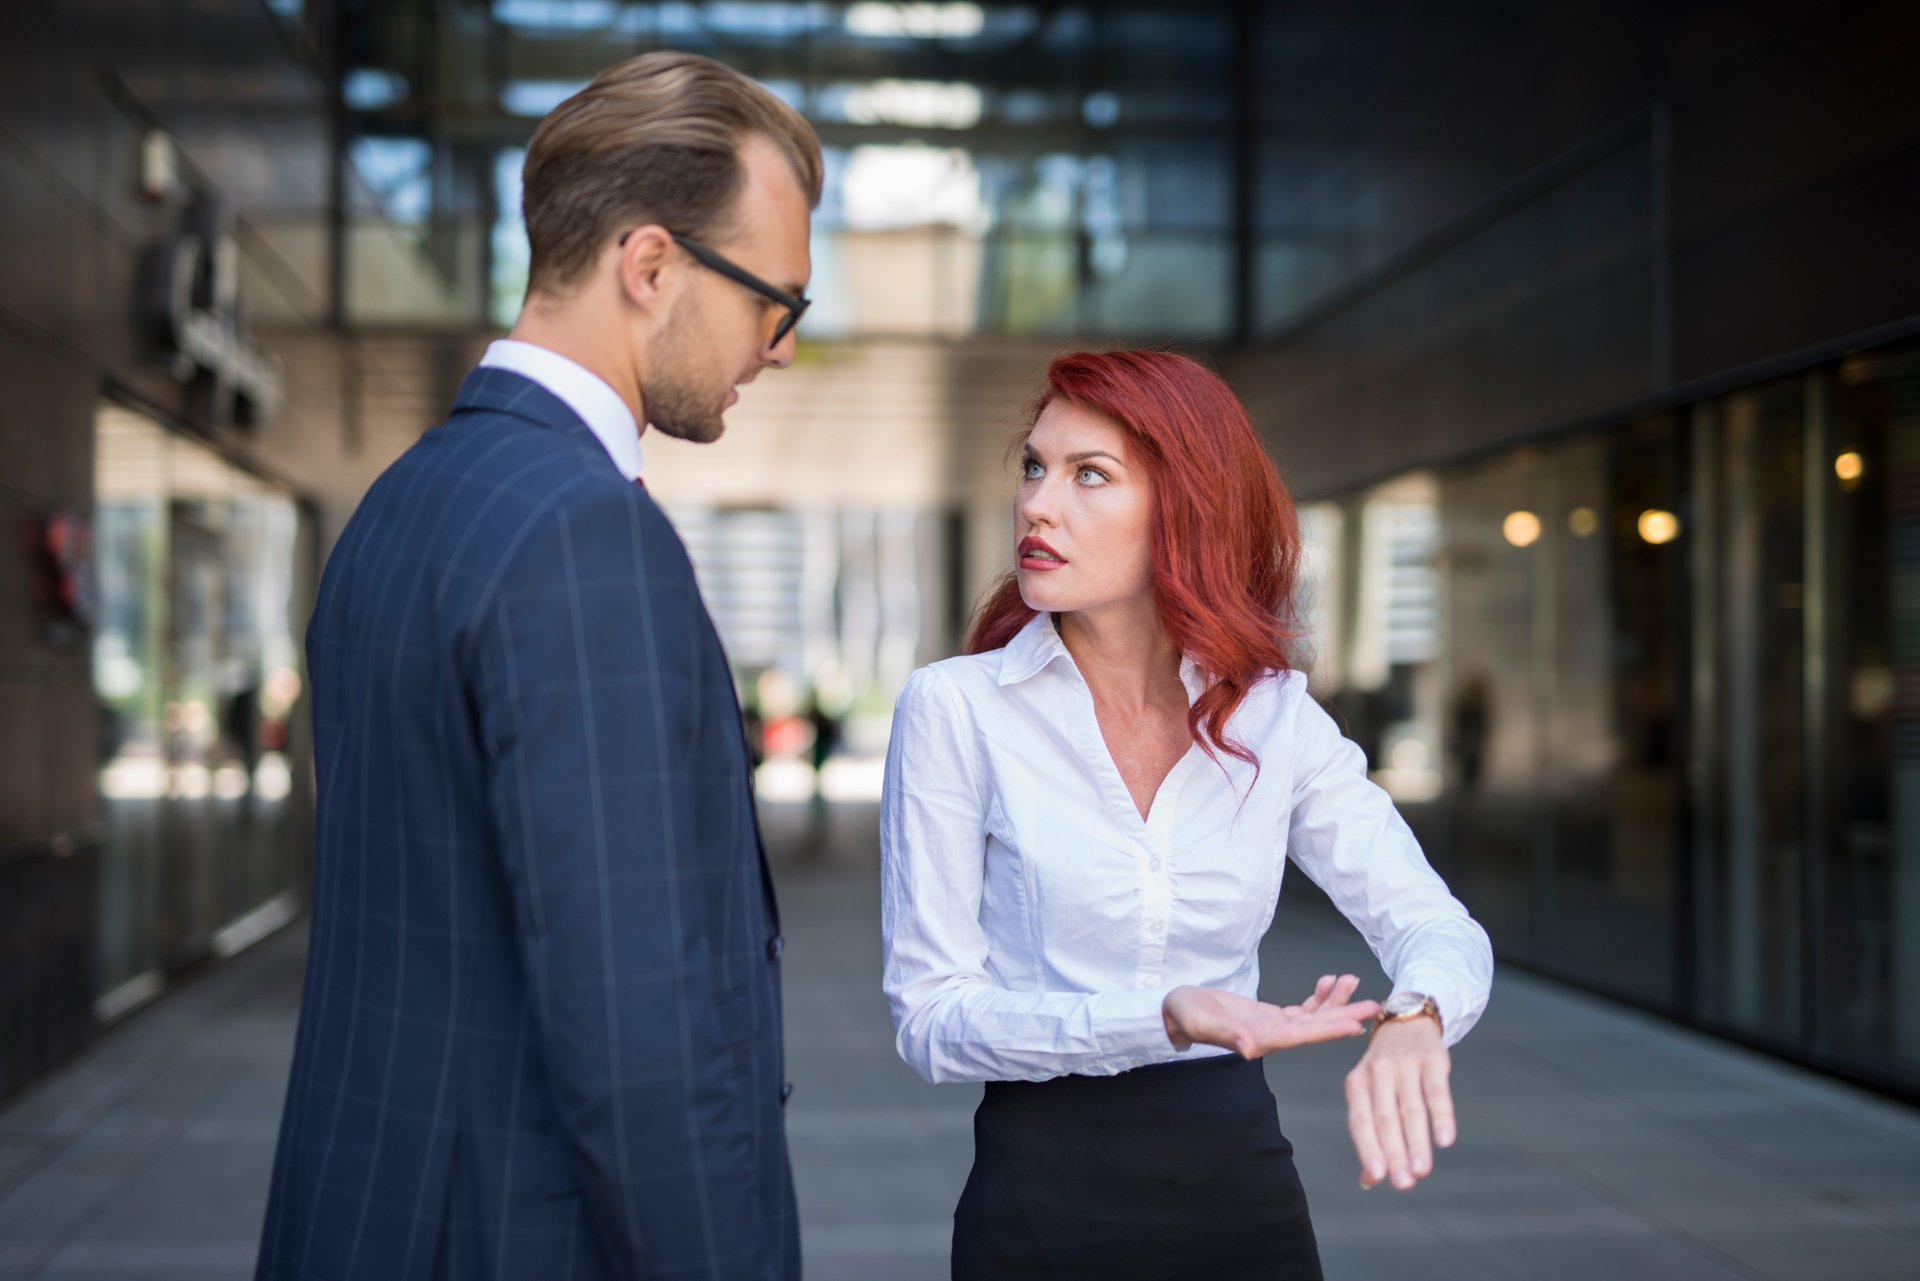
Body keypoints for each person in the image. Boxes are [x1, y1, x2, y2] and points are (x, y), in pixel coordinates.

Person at [257, 52, 820, 1281]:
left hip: (367, 1211)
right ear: (653, 266)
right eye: (776, 301)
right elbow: (638, 1035)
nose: (778, 348)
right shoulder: (584, 536)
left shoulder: (401, 505)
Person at [880, 350, 1494, 1279]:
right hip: (1042, 1198)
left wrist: (1416, 1015)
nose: (1040, 503)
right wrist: (1162, 1015)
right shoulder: (955, 708)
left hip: (1239, 1195)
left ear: (1186, 510)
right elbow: (931, 1016)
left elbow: (1435, 924)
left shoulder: (1273, 714)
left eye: (1091, 475)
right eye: (1035, 467)